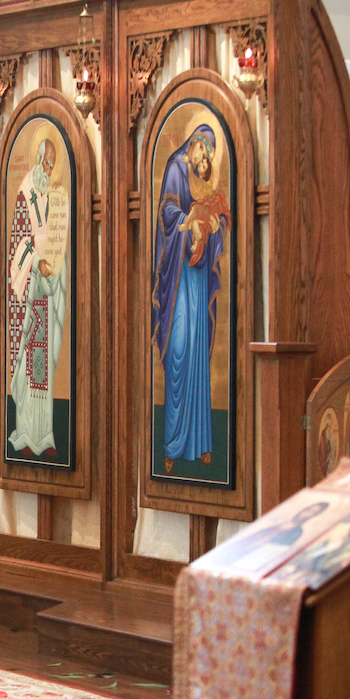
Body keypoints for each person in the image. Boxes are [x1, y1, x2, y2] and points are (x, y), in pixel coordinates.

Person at [151, 123, 231, 475]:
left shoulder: (202, 180)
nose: (203, 163)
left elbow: (220, 219)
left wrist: (212, 226)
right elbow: (167, 214)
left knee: (197, 352)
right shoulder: (175, 167)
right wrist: (190, 223)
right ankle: (171, 443)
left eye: (208, 160)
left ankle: (200, 444)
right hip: (178, 275)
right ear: (195, 144)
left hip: (197, 279)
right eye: (202, 155)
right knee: (179, 349)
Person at [6, 129, 70, 458]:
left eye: (53, 166)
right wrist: (35, 263)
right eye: (46, 164)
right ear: (38, 160)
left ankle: (43, 434)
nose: (49, 171)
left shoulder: (50, 196)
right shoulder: (25, 193)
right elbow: (17, 244)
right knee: (30, 367)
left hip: (47, 293)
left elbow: (54, 238)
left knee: (44, 370)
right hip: (30, 293)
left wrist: (55, 262)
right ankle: (26, 432)